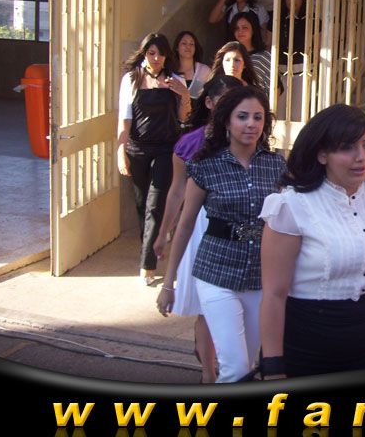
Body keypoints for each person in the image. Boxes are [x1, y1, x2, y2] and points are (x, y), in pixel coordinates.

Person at [259, 104, 365, 378]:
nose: (361, 157)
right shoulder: (292, 206)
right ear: (322, 154)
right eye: (347, 148)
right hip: (308, 345)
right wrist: (273, 365)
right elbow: (274, 294)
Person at [156, 85, 287, 382]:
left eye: (257, 117)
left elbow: (287, 222)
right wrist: (168, 283)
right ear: (227, 120)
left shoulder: (276, 165)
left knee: (248, 364)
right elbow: (186, 225)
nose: (251, 124)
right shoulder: (205, 166)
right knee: (235, 368)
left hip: (259, 276)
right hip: (215, 272)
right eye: (243, 116)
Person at [153, 75, 242, 383]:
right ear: (209, 103)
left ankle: (233, 367)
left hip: (241, 227)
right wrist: (163, 232)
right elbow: (176, 191)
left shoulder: (250, 140)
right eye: (225, 102)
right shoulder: (190, 143)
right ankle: (208, 374)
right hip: (202, 225)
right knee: (207, 307)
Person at [117, 33, 191, 286]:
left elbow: (183, 118)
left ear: (167, 56)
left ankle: (147, 264)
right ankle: (149, 246)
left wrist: (184, 95)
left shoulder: (175, 79)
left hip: (165, 150)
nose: (156, 58)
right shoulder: (131, 79)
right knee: (141, 205)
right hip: (137, 149)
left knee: (155, 205)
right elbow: (125, 119)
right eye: (151, 53)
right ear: (144, 54)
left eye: (161, 53)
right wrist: (121, 151)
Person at [274, 0, 307, 120]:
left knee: (298, 115)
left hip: (302, 72)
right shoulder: (277, 19)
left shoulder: (311, 19)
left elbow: (316, 49)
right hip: (280, 71)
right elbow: (270, 44)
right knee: (278, 114)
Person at [230, 12, 272, 93]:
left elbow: (276, 88)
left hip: (259, 99)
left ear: (253, 30)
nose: (240, 31)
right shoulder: (228, 56)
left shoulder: (263, 56)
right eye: (236, 28)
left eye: (245, 28)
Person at [172, 30, 211, 100]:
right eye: (184, 43)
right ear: (177, 48)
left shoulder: (204, 70)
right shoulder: (171, 72)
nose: (188, 46)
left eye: (192, 44)